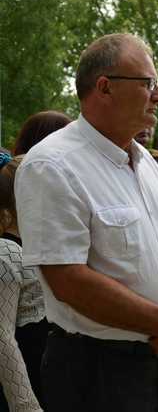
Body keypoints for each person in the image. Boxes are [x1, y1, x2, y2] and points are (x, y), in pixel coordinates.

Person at [14, 33, 158, 412]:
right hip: (96, 370)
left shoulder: (148, 164)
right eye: (148, 83)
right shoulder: (52, 165)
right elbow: (68, 279)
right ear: (104, 87)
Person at [0, 156, 44, 412]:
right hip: (25, 386)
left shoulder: (37, 246)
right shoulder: (7, 252)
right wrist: (26, 406)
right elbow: (2, 336)